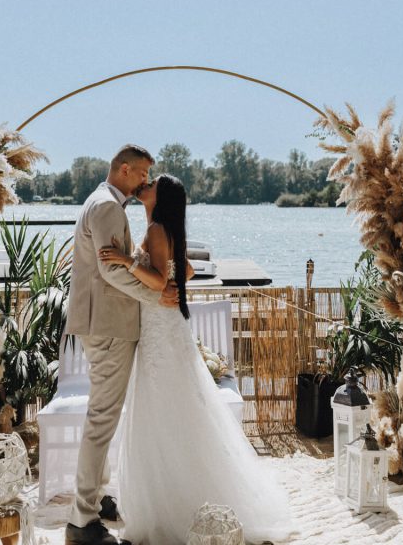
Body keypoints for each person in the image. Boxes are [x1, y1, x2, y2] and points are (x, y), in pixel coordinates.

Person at [99, 174, 292, 545]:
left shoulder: (157, 229)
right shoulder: (167, 229)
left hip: (159, 327)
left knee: (159, 409)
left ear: (162, 196)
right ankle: (188, 491)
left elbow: (160, 281)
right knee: (179, 407)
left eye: (151, 183)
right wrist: (166, 276)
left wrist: (126, 261)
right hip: (169, 327)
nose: (145, 185)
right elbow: (183, 271)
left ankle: (167, 504)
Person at [65, 145, 179, 545]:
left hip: (105, 322)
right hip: (108, 324)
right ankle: (81, 521)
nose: (146, 180)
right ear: (125, 169)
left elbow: (119, 264)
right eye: (143, 173)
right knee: (101, 419)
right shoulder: (107, 207)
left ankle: (96, 499)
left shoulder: (102, 203)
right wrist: (156, 295)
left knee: (105, 416)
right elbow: (111, 272)